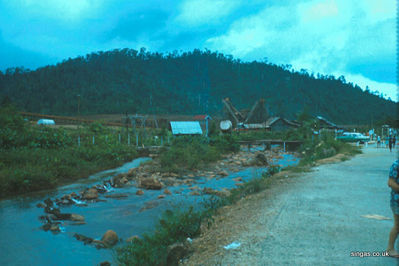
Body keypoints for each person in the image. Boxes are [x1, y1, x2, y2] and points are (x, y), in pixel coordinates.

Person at [388, 160, 399, 256]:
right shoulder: (396, 165)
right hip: (397, 201)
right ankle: (390, 249)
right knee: (397, 225)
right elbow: (390, 182)